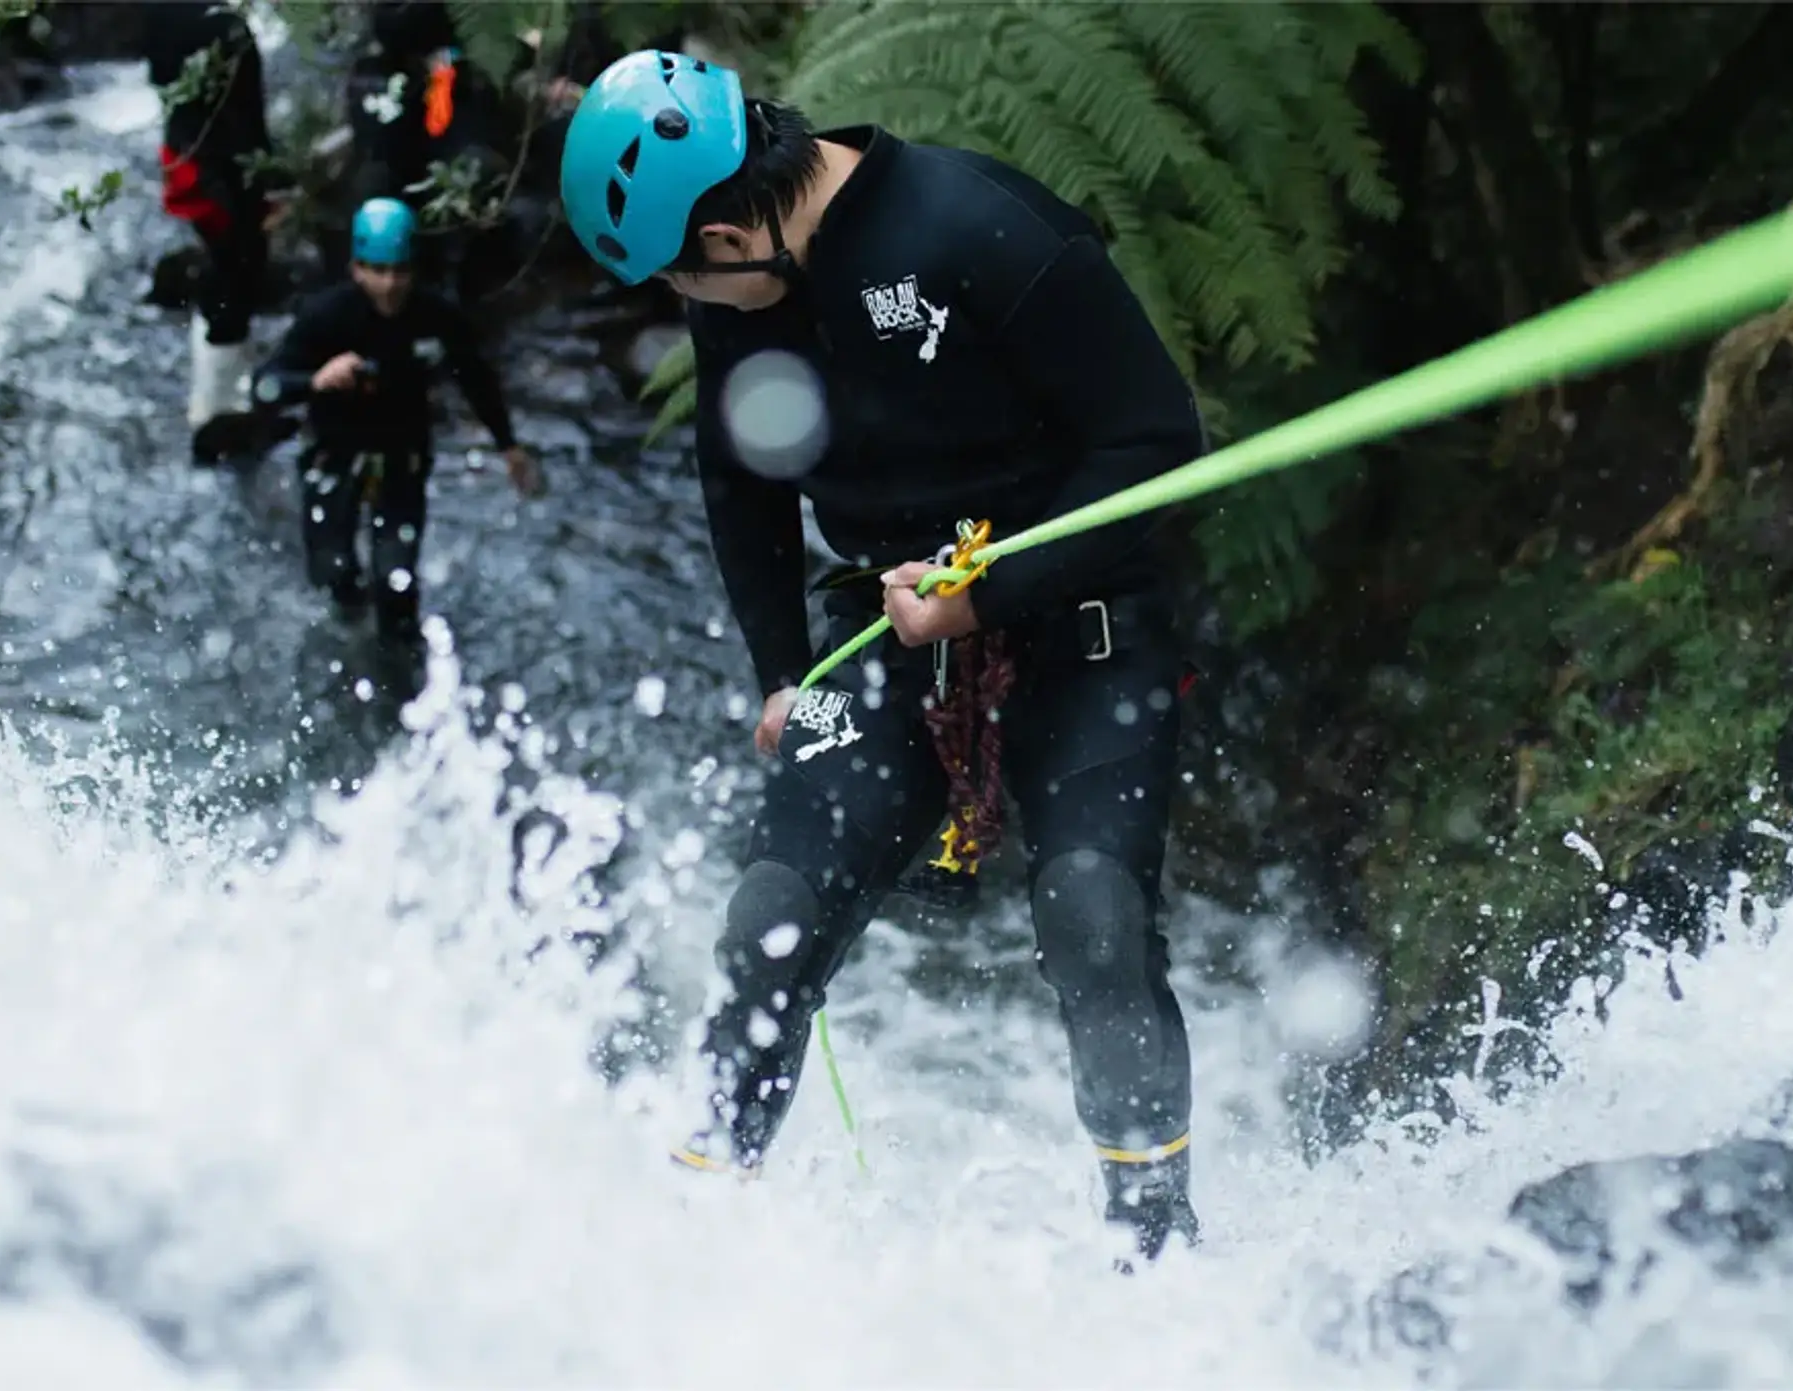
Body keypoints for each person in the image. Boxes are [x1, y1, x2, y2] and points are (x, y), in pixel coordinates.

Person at [558, 51, 1210, 1267]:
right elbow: (735, 474)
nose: (680, 302)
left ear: (725, 226)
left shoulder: (979, 230)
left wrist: (990, 591)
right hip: (884, 638)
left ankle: (1154, 1257)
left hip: (1078, 626)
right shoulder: (734, 288)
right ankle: (693, 1226)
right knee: (770, 918)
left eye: (679, 274)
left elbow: (1157, 441)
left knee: (1091, 916)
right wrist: (777, 670)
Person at [251, 197, 541, 647]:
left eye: (400, 271)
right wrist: (317, 380)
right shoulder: (327, 316)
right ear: (355, 268)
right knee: (332, 569)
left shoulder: (436, 317)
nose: (389, 285)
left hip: (401, 456)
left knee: (397, 580)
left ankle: (400, 668)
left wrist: (509, 446)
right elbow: (265, 385)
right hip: (334, 453)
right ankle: (346, 641)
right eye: (377, 271)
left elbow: (476, 378)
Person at [142, 0, 287, 446]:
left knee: (227, 273)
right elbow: (246, 117)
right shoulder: (225, 27)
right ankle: (217, 409)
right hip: (221, 172)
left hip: (189, 158)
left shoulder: (165, 11)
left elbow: (161, 81)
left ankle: (220, 398)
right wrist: (268, 182)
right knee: (235, 276)